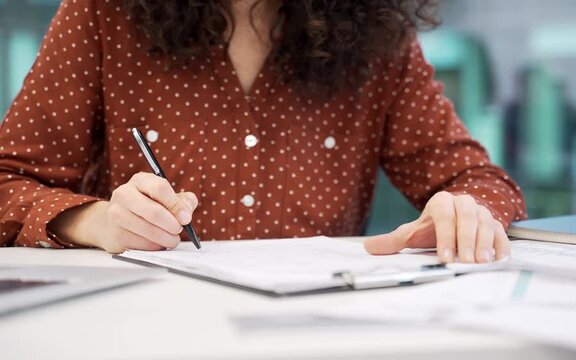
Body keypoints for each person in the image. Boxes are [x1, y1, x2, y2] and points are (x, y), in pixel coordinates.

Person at [0, 0, 526, 263]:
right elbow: (6, 182)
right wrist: (96, 222)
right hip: (141, 331)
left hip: (318, 335)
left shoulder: (379, 37)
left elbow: (482, 182)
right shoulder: (102, 13)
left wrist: (463, 210)